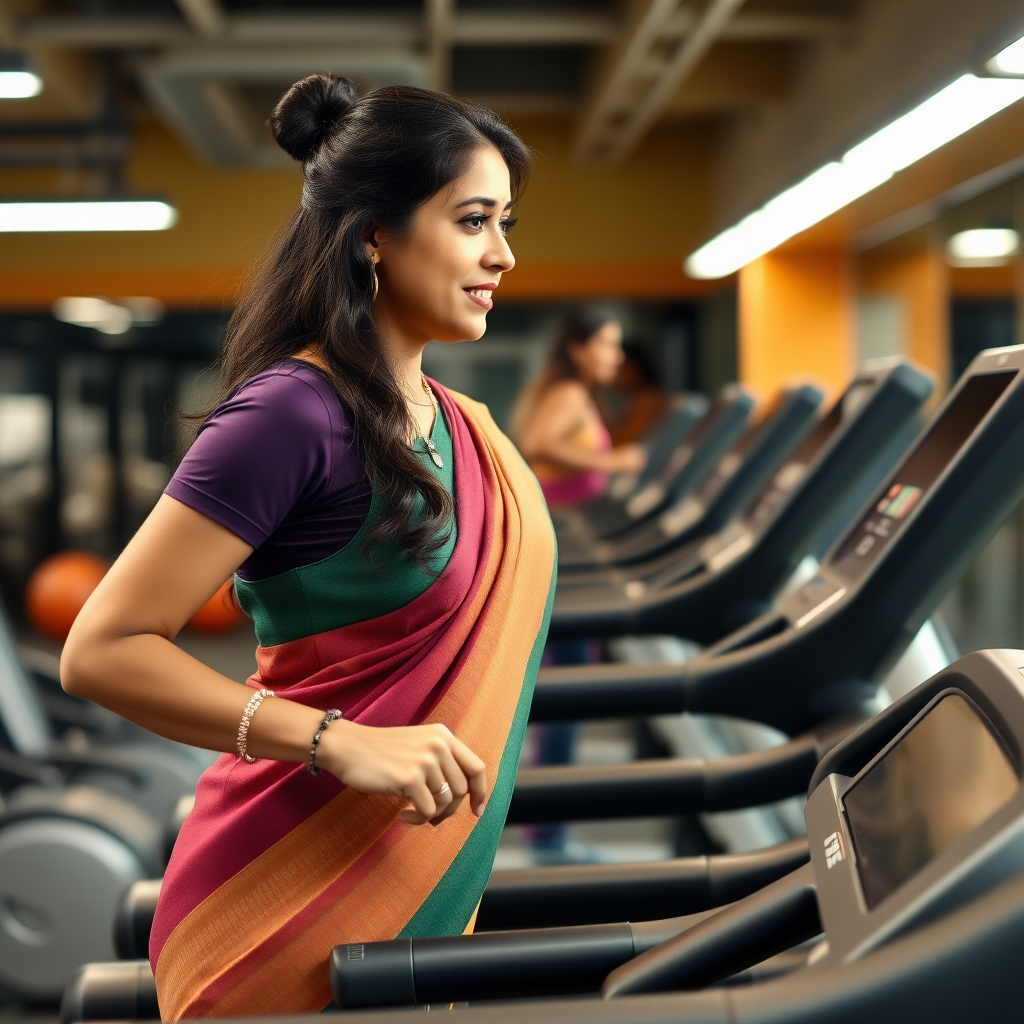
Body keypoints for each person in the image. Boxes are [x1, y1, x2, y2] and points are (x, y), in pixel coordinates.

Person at [60, 76, 556, 1019]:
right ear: (375, 233)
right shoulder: (293, 414)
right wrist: (338, 742)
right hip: (279, 905)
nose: (503, 253)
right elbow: (99, 649)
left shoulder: (460, 423)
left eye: (507, 223)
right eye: (474, 220)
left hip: (410, 880)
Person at [513, 308, 645, 509]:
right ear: (577, 350)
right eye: (607, 345)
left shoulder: (583, 395)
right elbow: (535, 444)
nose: (618, 357)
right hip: (553, 515)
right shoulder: (570, 393)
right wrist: (611, 462)